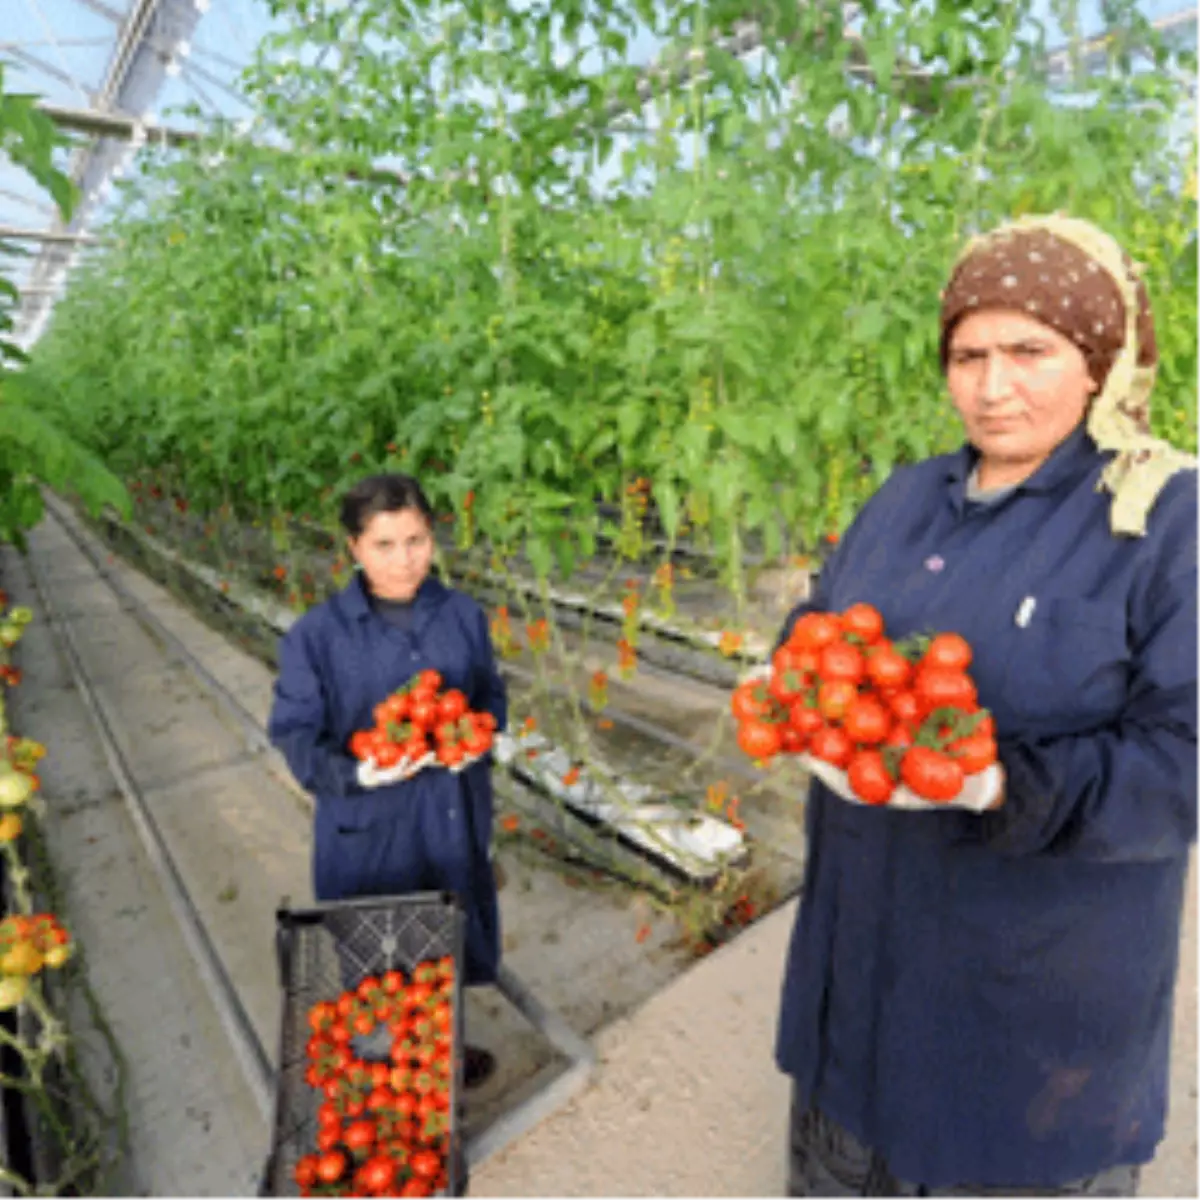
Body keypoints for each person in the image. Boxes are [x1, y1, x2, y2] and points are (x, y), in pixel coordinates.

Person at [774, 215, 1200, 1197]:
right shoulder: (907, 496)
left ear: (1099, 360)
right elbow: (821, 626)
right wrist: (792, 682)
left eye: (1028, 351)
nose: (991, 385)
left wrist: (1007, 781)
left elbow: (1184, 762)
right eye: (968, 354)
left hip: (1037, 1039)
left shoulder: (1166, 519)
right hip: (862, 997)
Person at [268, 472, 507, 1089]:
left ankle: (445, 1054)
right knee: (385, 957)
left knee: (448, 937)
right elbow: (294, 733)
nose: (405, 559)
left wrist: (475, 741)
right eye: (384, 544)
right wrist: (358, 772)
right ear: (353, 548)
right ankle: (397, 1071)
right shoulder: (316, 637)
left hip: (451, 809)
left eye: (417, 540)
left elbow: (490, 697)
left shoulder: (461, 615)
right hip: (369, 828)